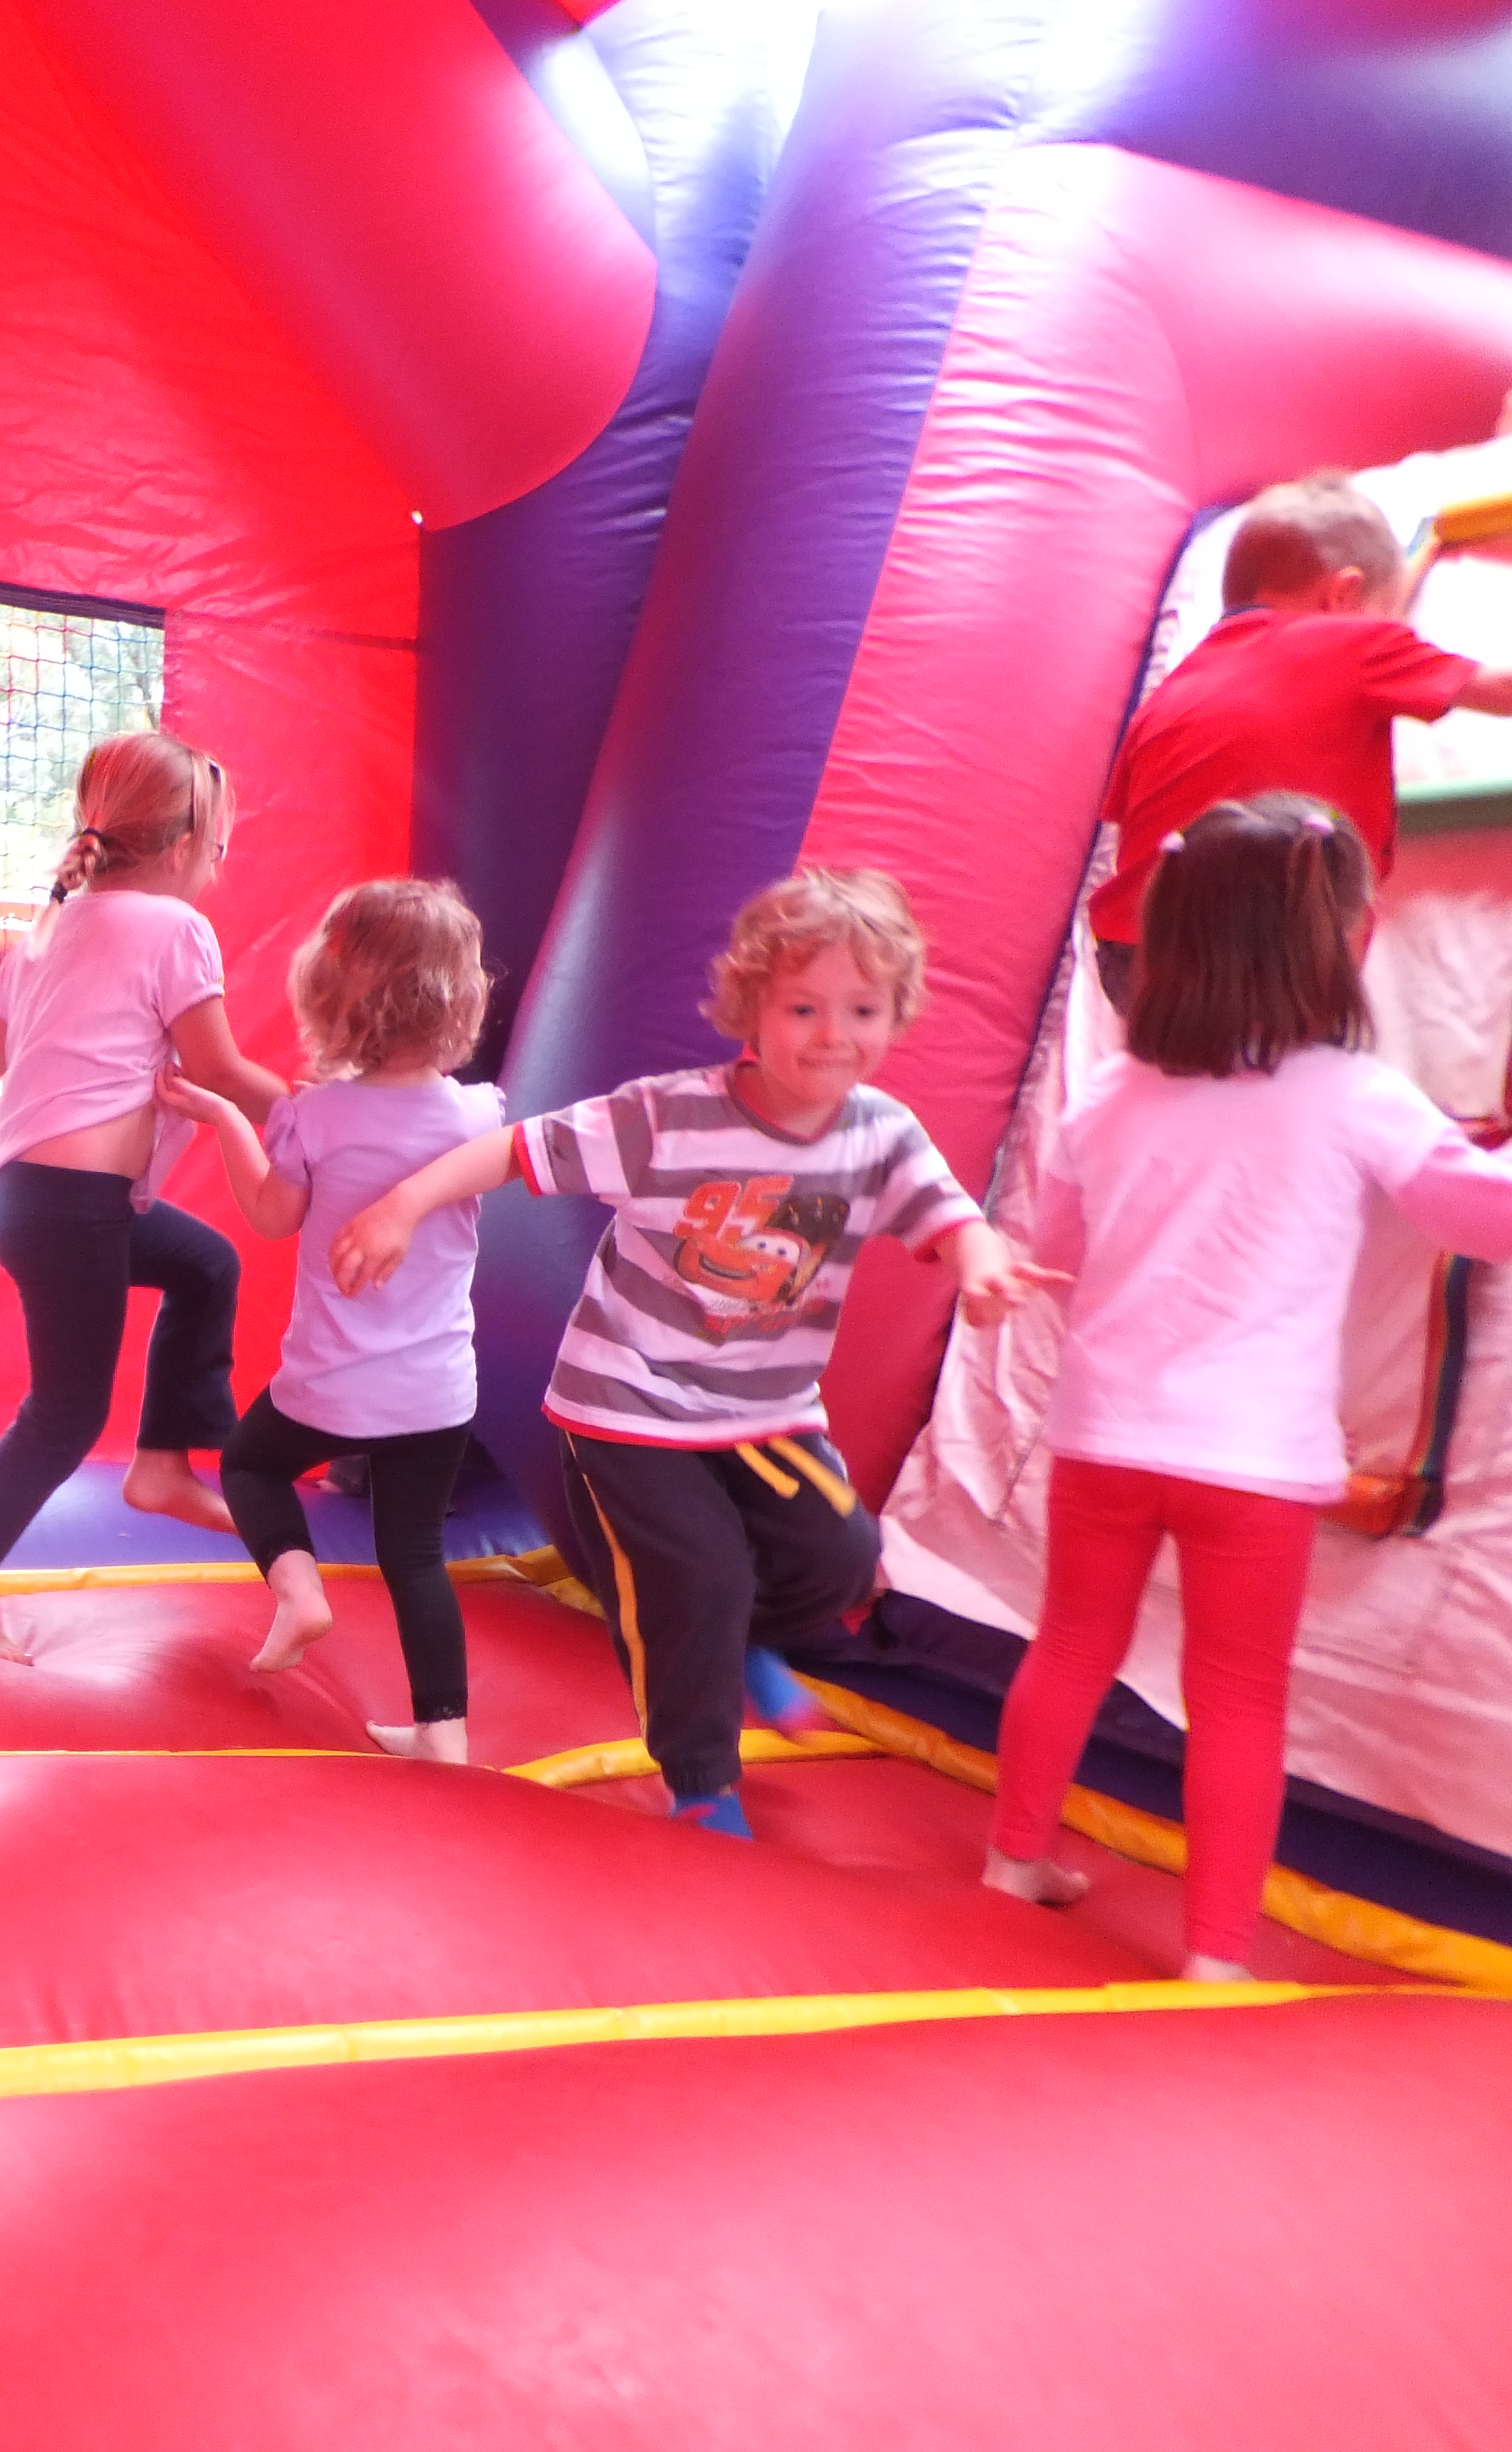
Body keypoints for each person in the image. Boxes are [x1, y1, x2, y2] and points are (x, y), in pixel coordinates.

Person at [329, 868, 1048, 1835]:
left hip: (767, 1407)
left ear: (897, 1013)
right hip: (630, 1401)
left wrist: (983, 1262)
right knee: (695, 1583)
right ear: (752, 1008)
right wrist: (402, 1204)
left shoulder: (880, 1135)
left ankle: (745, 1645)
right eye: (804, 1007)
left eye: (863, 1009)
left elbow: (951, 1214)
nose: (835, 1035)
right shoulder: (670, 1118)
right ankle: (702, 1780)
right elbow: (514, 1151)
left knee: (843, 1560)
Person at [983, 795, 1512, 1977]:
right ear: (1336, 948)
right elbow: (1478, 1216)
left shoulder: (1109, 1096)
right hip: (1252, 1461)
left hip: (1104, 1434)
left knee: (1066, 1644)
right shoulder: (1348, 1095)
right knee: (1235, 1700)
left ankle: (1010, 1858)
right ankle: (1214, 1950)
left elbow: (1057, 1260)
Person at [0, 732, 287, 1662]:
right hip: (74, 1205)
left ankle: (162, 1463)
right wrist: (326, 1117)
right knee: (67, 1411)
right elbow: (218, 1069)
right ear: (180, 846)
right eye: (219, 851)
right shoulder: (174, 930)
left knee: (205, 1263)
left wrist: (11, 988)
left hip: (38, 1200)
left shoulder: (51, 929)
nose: (216, 873)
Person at [160, 877, 500, 1762]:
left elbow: (274, 1218)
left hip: (332, 1387)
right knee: (415, 1554)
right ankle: (445, 1733)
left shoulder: (317, 1116)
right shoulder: (479, 1114)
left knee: (248, 1464)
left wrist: (233, 1121)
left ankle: (298, 1586)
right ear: (459, 1001)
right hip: (438, 1392)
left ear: (329, 994)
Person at [1086, 473, 1512, 1012]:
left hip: (1136, 957)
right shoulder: (1353, 643)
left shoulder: (1177, 687)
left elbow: (1127, 815)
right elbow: (1500, 689)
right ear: (1343, 594)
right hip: (1251, 955)